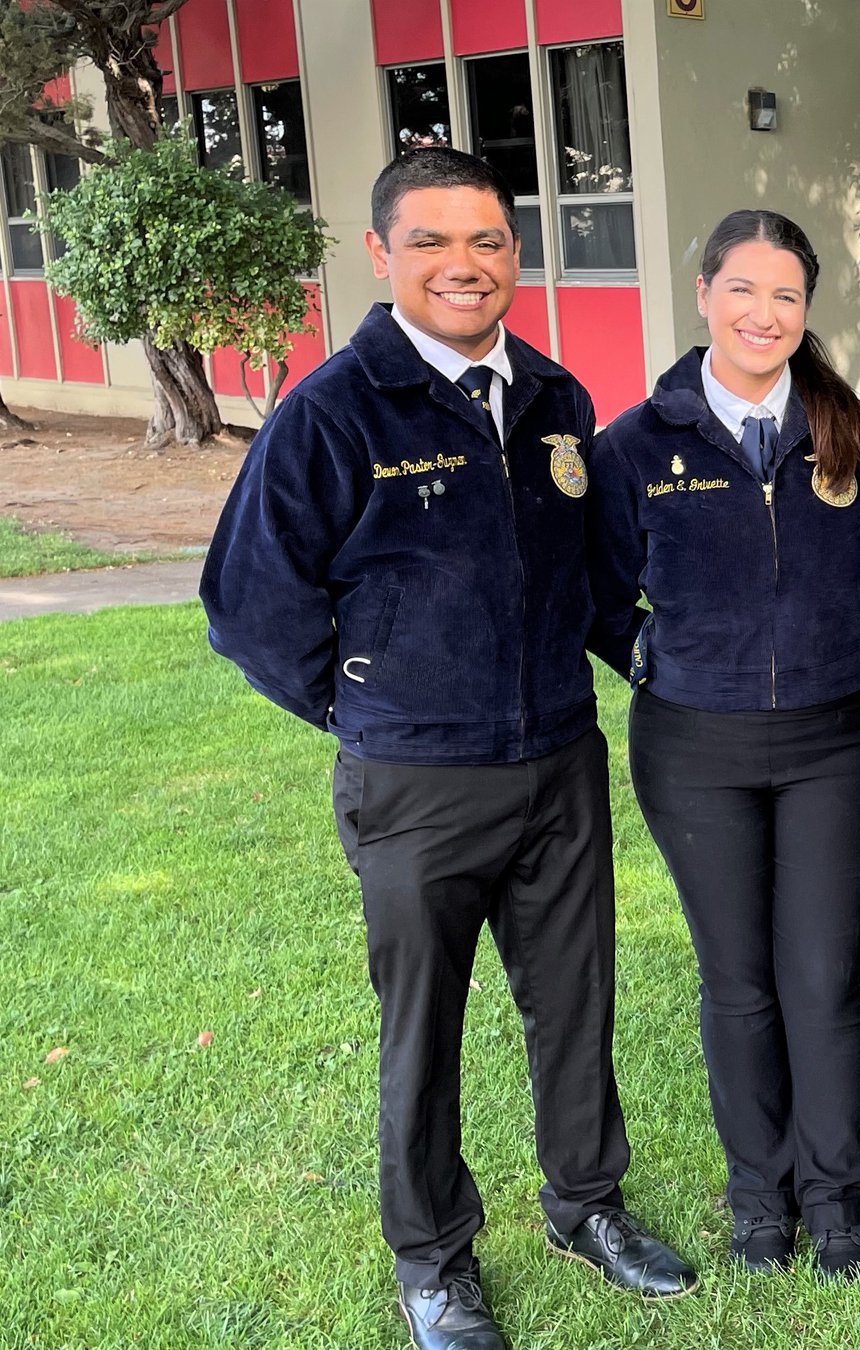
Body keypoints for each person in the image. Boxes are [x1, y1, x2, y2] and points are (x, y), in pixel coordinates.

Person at [199, 148, 694, 1350]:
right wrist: (367, 706)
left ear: (514, 254)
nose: (464, 266)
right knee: (423, 1027)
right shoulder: (332, 411)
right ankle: (433, 1258)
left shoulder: (555, 400)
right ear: (380, 255)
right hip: (416, 777)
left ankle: (584, 1204)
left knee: (574, 1001)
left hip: (558, 764)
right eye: (431, 241)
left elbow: (582, 578)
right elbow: (247, 605)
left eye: (487, 241)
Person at [584, 209, 860, 1281]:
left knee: (825, 975)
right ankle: (760, 1199)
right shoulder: (636, 446)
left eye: (786, 296)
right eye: (743, 290)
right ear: (704, 293)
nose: (763, 314)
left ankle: (838, 1194)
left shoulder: (857, 434)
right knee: (739, 983)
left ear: (806, 311)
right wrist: (664, 658)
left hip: (832, 743)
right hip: (693, 748)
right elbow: (596, 592)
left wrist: (815, 652)